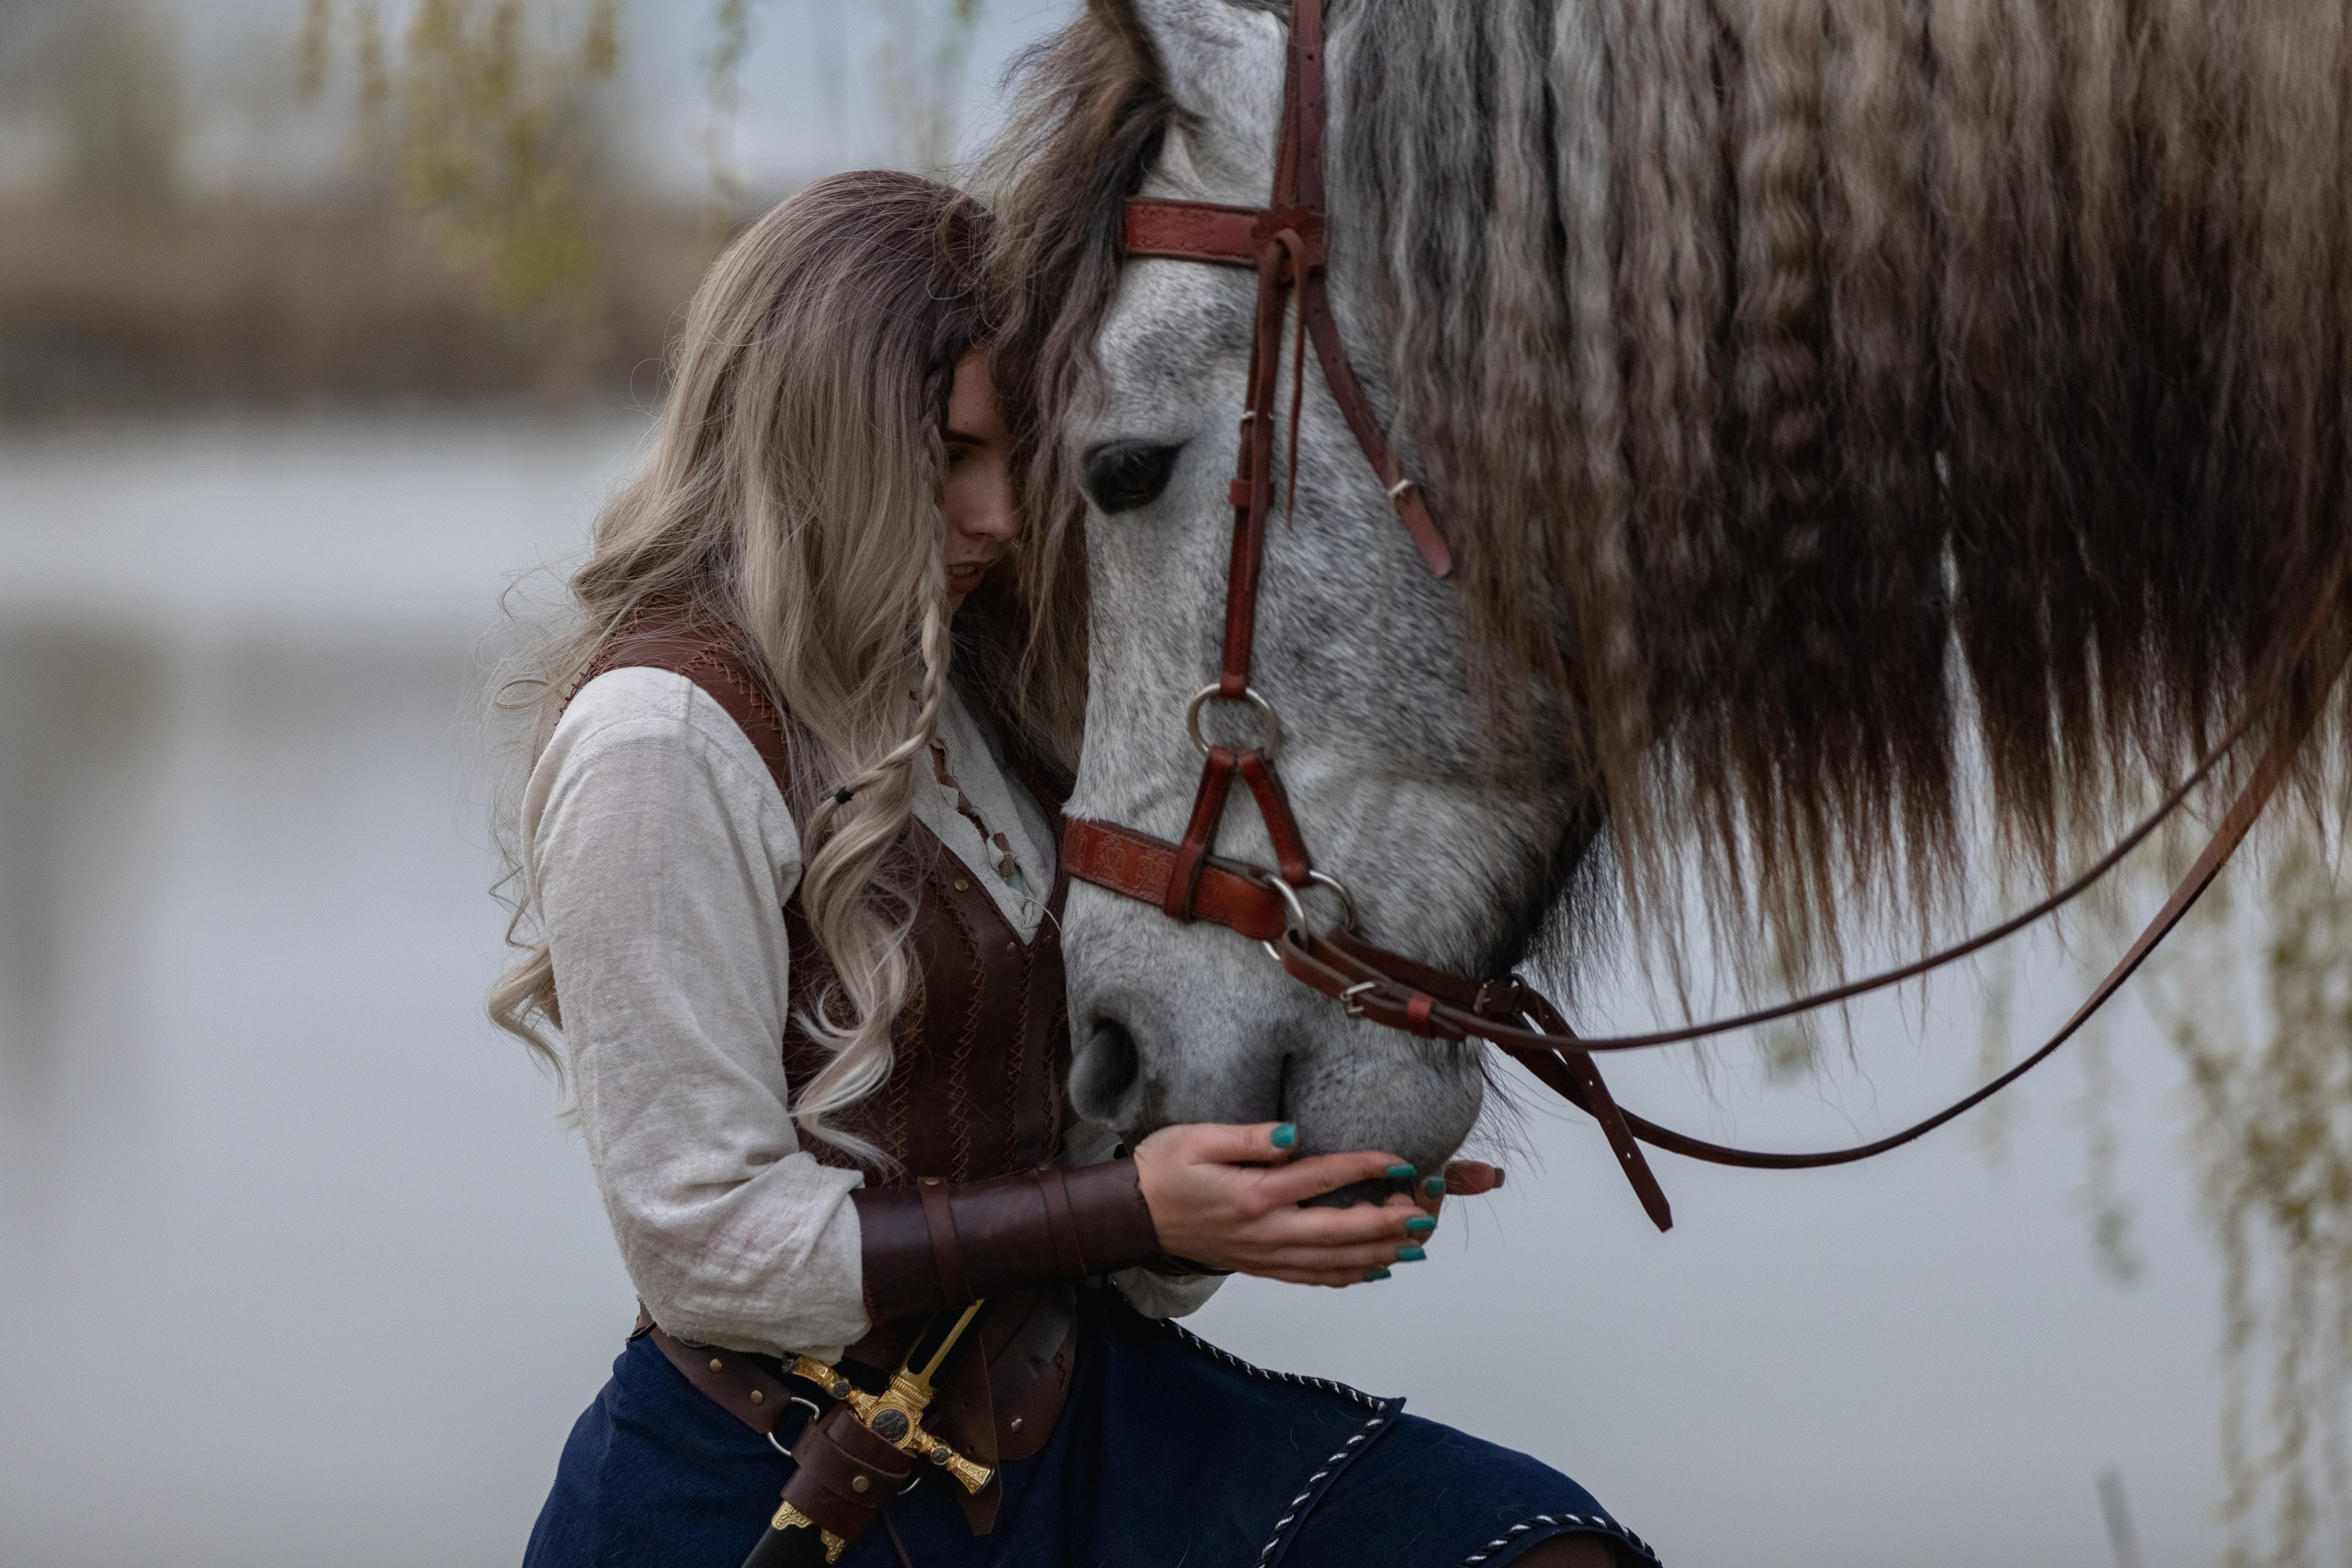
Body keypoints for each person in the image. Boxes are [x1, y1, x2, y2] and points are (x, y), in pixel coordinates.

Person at [495, 170, 1652, 1568]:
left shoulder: (982, 694)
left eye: (1017, 461)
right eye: (951, 457)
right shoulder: (659, 735)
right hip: (767, 1495)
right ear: (818, 437)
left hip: (1082, 1425)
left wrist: (1253, 1199)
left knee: (1536, 1550)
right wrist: (1135, 1204)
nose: (999, 516)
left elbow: (1115, 1228)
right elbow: (706, 1244)